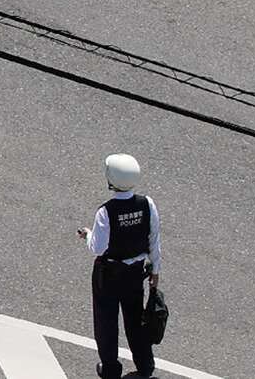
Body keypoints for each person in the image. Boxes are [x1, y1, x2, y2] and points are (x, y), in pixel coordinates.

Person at [80, 154, 159, 379]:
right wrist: (155, 271)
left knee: (106, 321)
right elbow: (154, 239)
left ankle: (111, 369)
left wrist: (87, 235)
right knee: (135, 319)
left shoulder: (106, 212)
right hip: (135, 273)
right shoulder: (147, 204)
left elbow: (98, 248)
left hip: (108, 274)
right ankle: (145, 365)